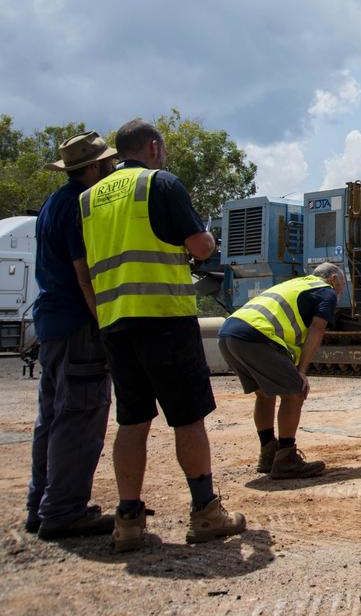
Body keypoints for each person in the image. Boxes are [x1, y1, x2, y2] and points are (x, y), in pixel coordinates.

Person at [79, 118, 245, 552]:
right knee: (187, 417)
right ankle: (206, 511)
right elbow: (202, 248)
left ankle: (128, 520)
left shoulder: (88, 200)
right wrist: (205, 238)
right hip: (163, 316)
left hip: (115, 321)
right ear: (152, 147)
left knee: (132, 420)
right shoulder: (161, 184)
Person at [26, 132, 118, 540]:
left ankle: (42, 505)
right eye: (108, 163)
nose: (112, 168)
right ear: (94, 168)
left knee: (52, 416)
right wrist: (105, 324)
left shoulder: (51, 204)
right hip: (79, 323)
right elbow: (85, 276)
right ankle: (64, 511)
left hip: (51, 324)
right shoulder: (80, 206)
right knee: (81, 415)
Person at [217, 263, 346, 479]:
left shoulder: (297, 284)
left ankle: (268, 454)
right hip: (255, 336)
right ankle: (286, 459)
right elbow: (317, 329)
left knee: (265, 394)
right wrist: (302, 372)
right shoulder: (326, 291)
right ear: (333, 279)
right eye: (341, 285)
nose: (340, 291)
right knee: (295, 392)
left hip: (229, 333)